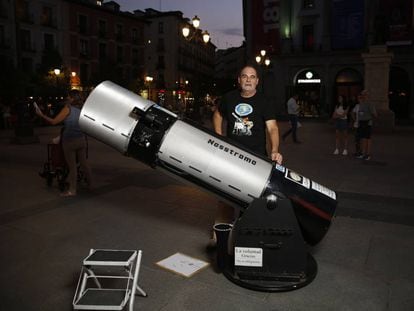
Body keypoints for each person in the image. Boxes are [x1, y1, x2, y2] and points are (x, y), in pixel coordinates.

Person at [210, 64, 283, 247]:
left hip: (256, 159)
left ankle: (246, 238)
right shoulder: (229, 98)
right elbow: (218, 114)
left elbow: (272, 128)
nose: (248, 79)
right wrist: (219, 137)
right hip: (230, 156)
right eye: (244, 76)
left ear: (257, 81)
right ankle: (220, 235)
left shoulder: (265, 101)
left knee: (251, 200)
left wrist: (274, 150)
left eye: (252, 77)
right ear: (239, 80)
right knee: (225, 196)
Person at [35, 89, 93, 196]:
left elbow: (54, 122)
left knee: (72, 166)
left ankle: (72, 190)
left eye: (68, 96)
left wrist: (41, 114)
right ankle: (90, 184)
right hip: (81, 140)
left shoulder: (68, 108)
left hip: (69, 141)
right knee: (84, 164)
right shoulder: (83, 109)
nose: (67, 98)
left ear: (71, 98)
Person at [356, 90, 377, 160]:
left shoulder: (370, 103)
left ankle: (368, 154)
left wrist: (370, 120)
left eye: (364, 94)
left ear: (367, 95)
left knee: (367, 138)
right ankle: (363, 153)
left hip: (367, 123)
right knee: (362, 138)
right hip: (362, 122)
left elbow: (374, 114)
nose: (363, 96)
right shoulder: (362, 103)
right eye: (362, 94)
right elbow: (360, 113)